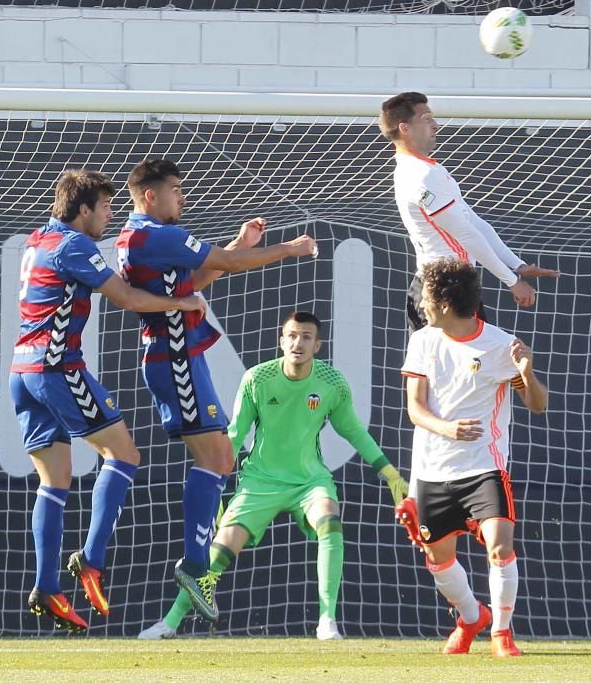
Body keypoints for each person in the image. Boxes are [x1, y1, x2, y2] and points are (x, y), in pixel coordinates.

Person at [116, 159, 318, 622]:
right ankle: (194, 564)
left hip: (182, 357)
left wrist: (239, 245)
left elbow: (201, 277)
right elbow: (223, 263)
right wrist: (285, 249)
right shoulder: (154, 234)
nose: (182, 198)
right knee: (215, 459)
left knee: (222, 458)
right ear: (150, 195)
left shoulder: (143, 238)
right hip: (176, 359)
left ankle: (196, 562)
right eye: (175, 189)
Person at [10, 170, 207, 633]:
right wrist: (182, 304)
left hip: (22, 371)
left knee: (54, 481)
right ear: (83, 211)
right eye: (104, 207)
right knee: (124, 454)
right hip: (58, 369)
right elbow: (129, 298)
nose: (110, 215)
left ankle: (47, 587)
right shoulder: (74, 245)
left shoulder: (38, 239)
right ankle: (92, 560)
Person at [138, 311, 408, 640]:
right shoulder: (257, 379)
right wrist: (217, 485)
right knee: (218, 551)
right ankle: (169, 623)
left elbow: (354, 432)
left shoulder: (332, 383)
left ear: (317, 345)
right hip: (259, 481)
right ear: (281, 341)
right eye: (292, 336)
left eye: (306, 337)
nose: (298, 342)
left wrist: (391, 474)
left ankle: (327, 622)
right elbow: (235, 434)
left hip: (310, 480)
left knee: (330, 522)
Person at [397, 258, 547, 657]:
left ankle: (502, 633)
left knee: (499, 545)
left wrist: (527, 373)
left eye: (427, 298)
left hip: (485, 467)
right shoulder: (423, 341)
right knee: (438, 558)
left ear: (445, 303)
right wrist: (448, 428)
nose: (422, 304)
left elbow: (536, 404)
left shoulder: (500, 346)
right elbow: (415, 409)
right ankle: (469, 616)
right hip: (434, 470)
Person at [379, 91, 559, 333]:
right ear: (405, 128)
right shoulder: (419, 176)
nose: (435, 125)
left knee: (473, 367)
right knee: (451, 368)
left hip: (454, 287)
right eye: (427, 118)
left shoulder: (429, 170)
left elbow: (474, 223)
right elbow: (465, 234)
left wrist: (517, 265)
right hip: (441, 290)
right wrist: (512, 282)